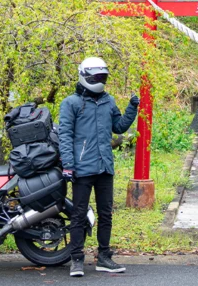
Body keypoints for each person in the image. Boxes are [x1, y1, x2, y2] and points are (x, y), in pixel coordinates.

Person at [59, 57, 139, 278]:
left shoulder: (108, 101)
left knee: (106, 214)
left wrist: (132, 108)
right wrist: (68, 165)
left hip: (104, 167)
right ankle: (76, 260)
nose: (100, 81)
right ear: (84, 76)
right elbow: (65, 136)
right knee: (78, 214)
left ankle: (104, 257)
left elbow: (119, 126)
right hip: (82, 168)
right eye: (96, 77)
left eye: (103, 77)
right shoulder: (71, 103)